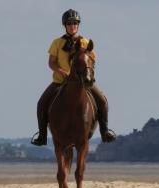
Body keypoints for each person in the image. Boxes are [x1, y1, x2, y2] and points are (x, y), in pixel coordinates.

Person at [31, 9, 116, 146]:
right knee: (41, 103)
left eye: (75, 23)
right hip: (60, 82)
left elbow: (92, 61)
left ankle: (105, 132)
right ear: (65, 25)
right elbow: (51, 63)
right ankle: (42, 136)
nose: (73, 26)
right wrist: (62, 72)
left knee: (103, 101)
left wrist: (87, 74)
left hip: (83, 81)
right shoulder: (57, 43)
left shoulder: (85, 42)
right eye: (70, 23)